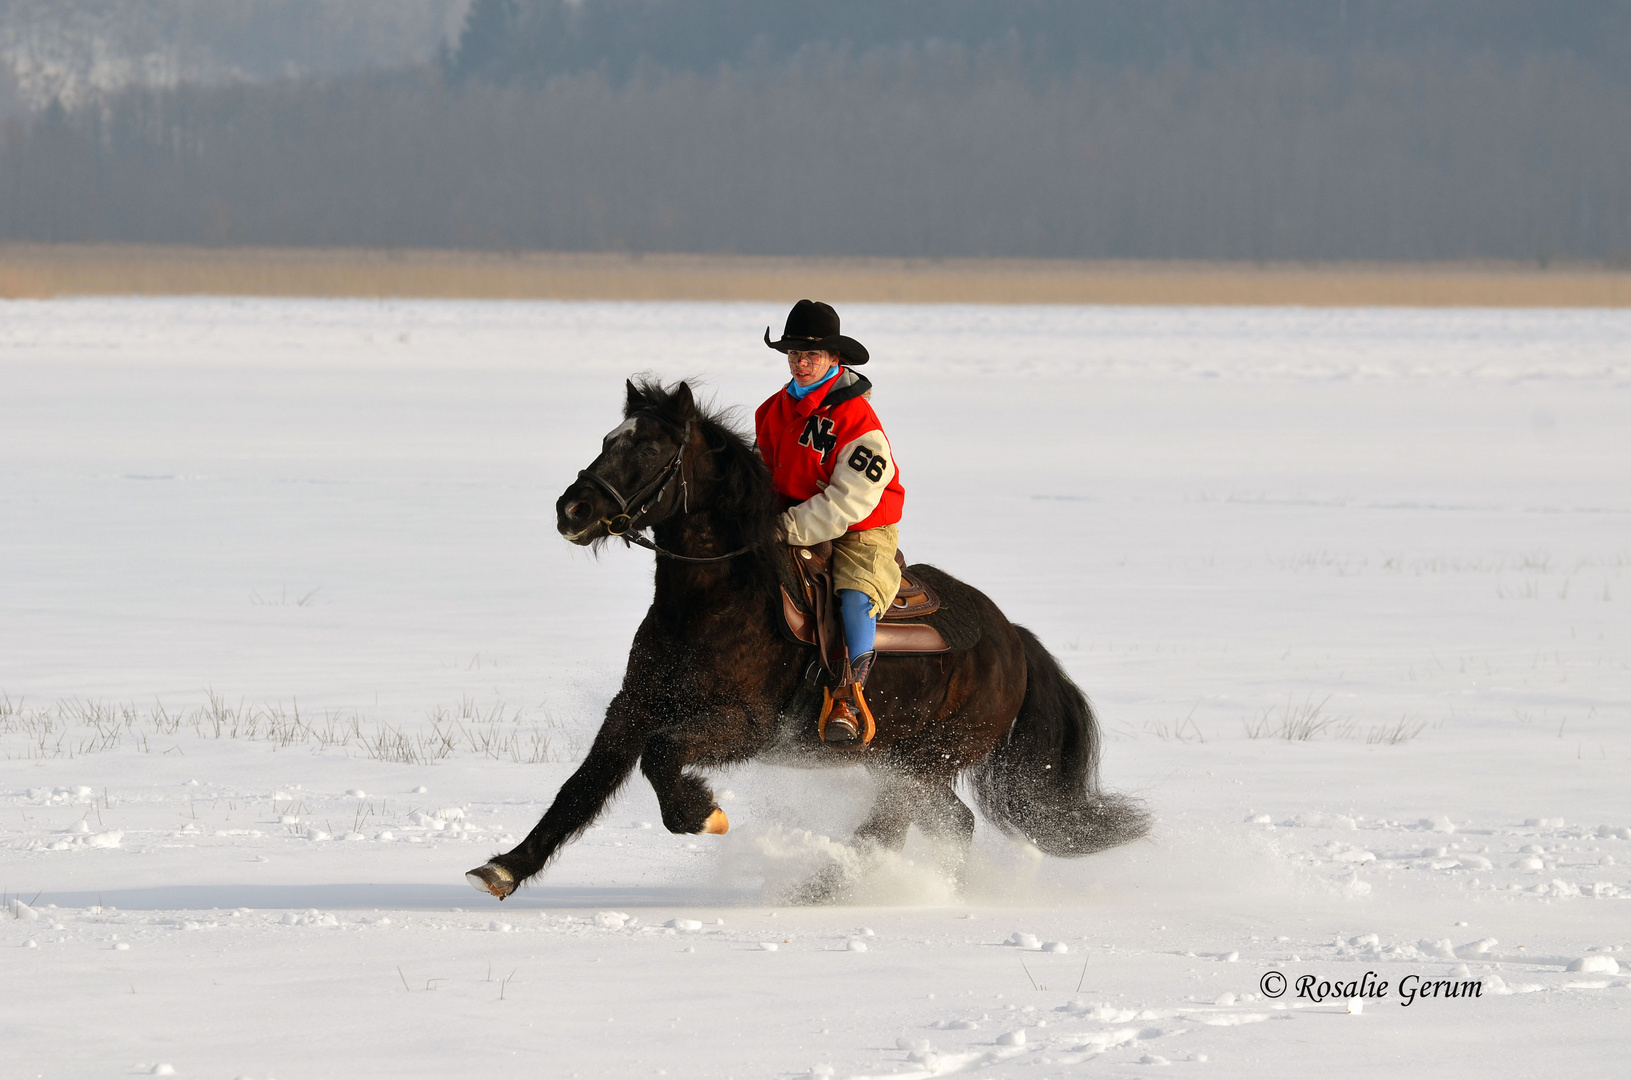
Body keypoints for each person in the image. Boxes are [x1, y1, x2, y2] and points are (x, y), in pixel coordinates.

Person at [755, 300, 905, 746]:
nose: (801, 363)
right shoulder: (771, 411)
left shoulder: (859, 422)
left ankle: (848, 697)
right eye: (794, 354)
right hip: (790, 519)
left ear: (834, 360)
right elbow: (765, 478)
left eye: (812, 356)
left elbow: (848, 503)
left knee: (855, 598)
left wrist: (782, 529)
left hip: (862, 527)